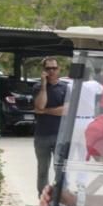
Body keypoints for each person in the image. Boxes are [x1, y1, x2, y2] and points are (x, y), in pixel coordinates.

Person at [32, 57, 67, 195]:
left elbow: (65, 110)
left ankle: (59, 199)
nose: (51, 71)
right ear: (44, 70)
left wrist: (44, 111)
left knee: (60, 169)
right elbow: (39, 104)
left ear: (59, 69)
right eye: (48, 68)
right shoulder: (37, 87)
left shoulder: (65, 87)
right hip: (42, 135)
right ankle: (43, 200)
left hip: (60, 135)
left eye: (54, 68)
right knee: (42, 170)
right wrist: (44, 86)